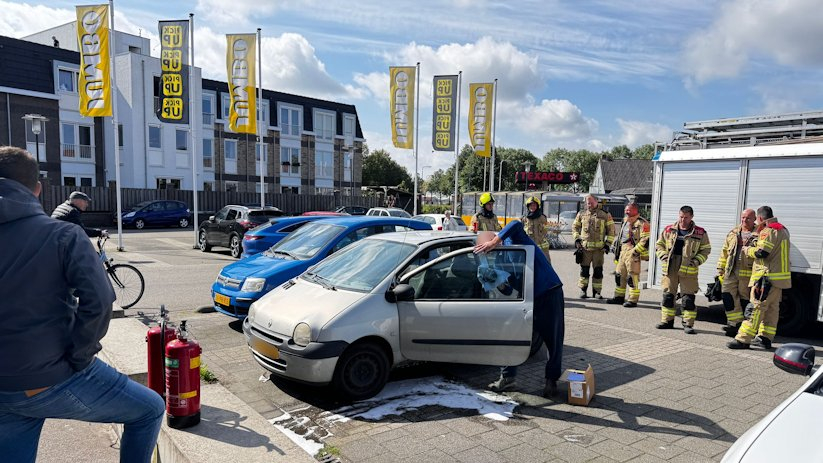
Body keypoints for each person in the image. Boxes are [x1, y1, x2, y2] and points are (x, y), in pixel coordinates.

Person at [0, 146, 165, 462]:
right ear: (37, 189)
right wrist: (78, 356)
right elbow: (100, 301)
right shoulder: (62, 235)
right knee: (149, 410)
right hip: (47, 377)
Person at [475, 224, 565, 398]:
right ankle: (508, 379)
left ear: (494, 238)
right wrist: (497, 282)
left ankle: (551, 381)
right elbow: (510, 289)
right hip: (528, 298)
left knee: (553, 339)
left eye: (488, 248)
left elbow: (516, 223)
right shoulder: (499, 258)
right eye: (486, 252)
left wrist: (495, 240)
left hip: (549, 290)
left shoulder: (514, 238)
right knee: (510, 336)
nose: (490, 253)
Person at [728, 206, 791, 350]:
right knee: (772, 309)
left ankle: (743, 339)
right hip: (778, 279)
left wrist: (747, 250)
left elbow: (762, 252)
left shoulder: (768, 231)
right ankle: (765, 338)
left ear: (760, 218)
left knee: (755, 308)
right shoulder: (783, 230)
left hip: (765, 277)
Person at [654, 205, 711, 334]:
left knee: (688, 299)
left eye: (685, 217)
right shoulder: (669, 229)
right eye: (680, 216)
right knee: (668, 296)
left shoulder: (700, 232)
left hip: (688, 269)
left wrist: (696, 261)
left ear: (691, 217)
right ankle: (667, 321)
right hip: (670, 267)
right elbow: (659, 244)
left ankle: (688, 324)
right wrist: (663, 255)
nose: (682, 220)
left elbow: (706, 249)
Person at [716, 209, 757, 337]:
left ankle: (744, 328)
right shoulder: (734, 232)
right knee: (728, 297)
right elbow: (724, 252)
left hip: (748, 274)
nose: (745, 220)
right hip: (731, 271)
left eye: (748, 218)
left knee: (745, 300)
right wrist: (720, 268)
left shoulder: (759, 234)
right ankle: (733, 324)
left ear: (755, 219)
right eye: (743, 218)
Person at [607, 202, 650, 307]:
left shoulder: (642, 223)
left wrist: (635, 251)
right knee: (619, 275)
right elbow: (621, 235)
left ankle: (632, 300)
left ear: (635, 210)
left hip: (633, 251)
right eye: (626, 210)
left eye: (628, 210)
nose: (626, 212)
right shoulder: (625, 221)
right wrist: (616, 246)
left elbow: (646, 239)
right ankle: (619, 297)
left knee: (632, 277)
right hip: (622, 251)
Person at [572, 194, 615, 299]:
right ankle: (583, 290)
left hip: (599, 251)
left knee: (598, 271)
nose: (589, 205)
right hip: (585, 249)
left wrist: (608, 244)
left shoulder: (605, 215)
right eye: (587, 203)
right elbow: (574, 227)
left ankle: (597, 292)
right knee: (584, 271)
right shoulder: (581, 214)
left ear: (596, 201)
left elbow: (612, 231)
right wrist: (577, 239)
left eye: (591, 202)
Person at [522, 196, 551, 263]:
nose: (532, 207)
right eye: (531, 205)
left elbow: (545, 230)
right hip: (529, 246)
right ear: (528, 206)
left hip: (542, 248)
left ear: (537, 206)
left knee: (546, 264)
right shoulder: (524, 218)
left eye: (534, 205)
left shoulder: (542, 217)